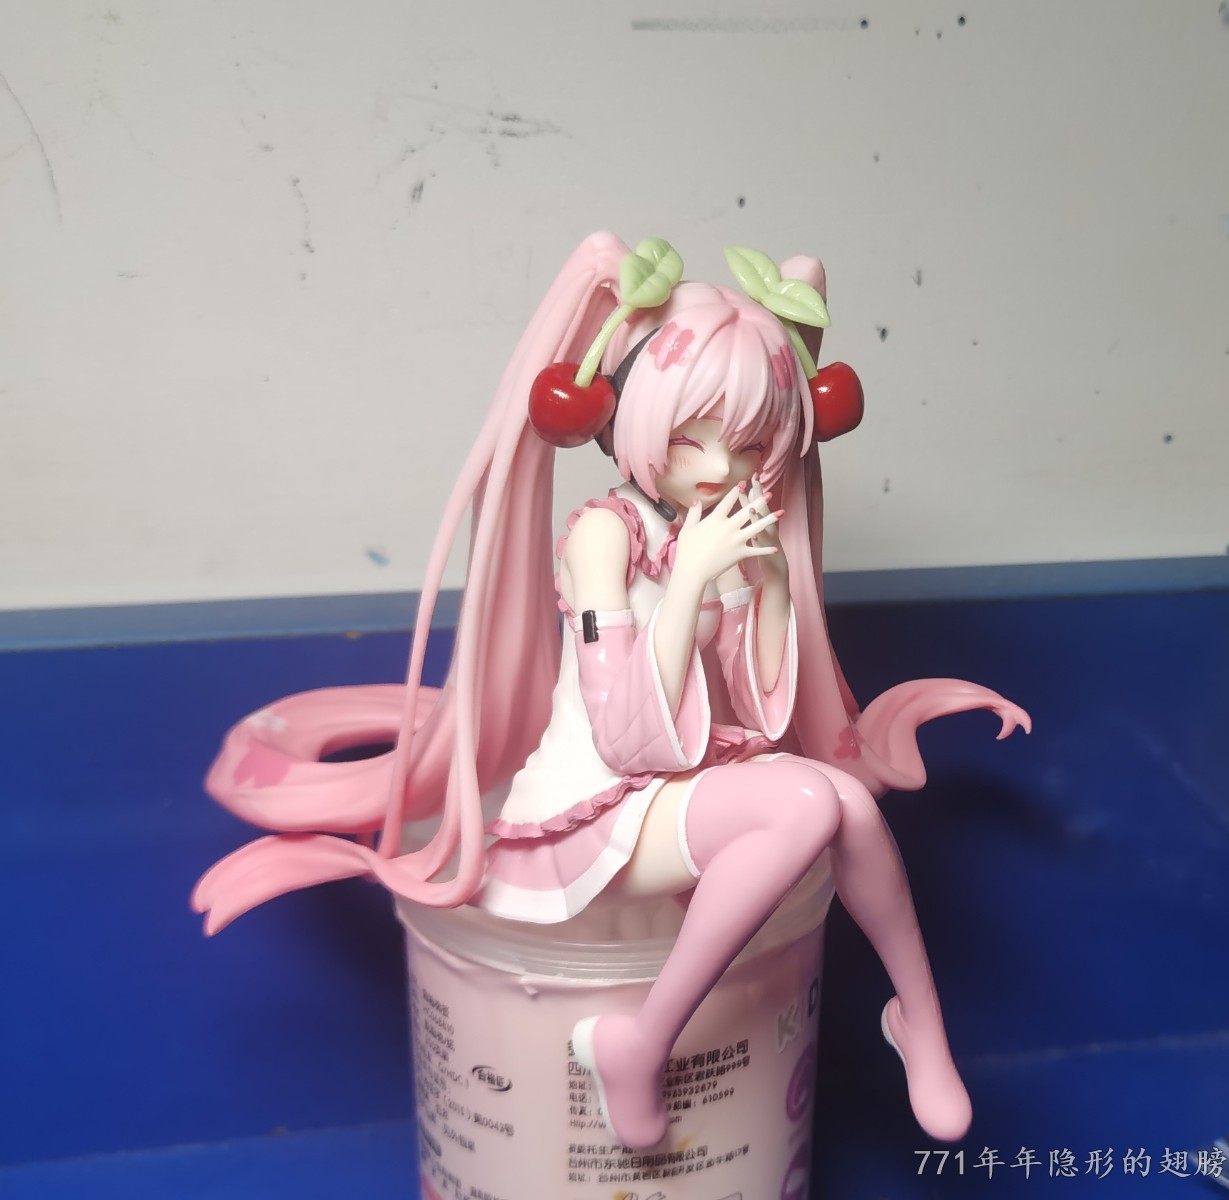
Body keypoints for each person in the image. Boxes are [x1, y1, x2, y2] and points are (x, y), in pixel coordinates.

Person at [194, 232, 1030, 1149]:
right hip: (591, 815)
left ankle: (919, 1023)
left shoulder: (723, 530)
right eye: (690, 437)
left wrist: (771, 584)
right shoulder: (604, 535)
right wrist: (689, 582)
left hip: (680, 794)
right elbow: (629, 737)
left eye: (749, 442)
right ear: (629, 423)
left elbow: (762, 715)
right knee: (804, 803)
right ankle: (640, 1042)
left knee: (848, 806)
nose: (720, 466)